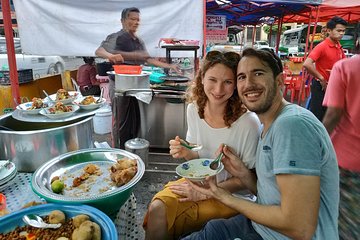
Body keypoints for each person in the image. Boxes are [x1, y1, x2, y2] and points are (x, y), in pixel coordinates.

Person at [182, 48, 339, 240]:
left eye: (258, 73)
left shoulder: (291, 125)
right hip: (259, 226)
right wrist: (244, 174)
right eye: (241, 77)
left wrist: (224, 196)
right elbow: (272, 195)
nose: (249, 84)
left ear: (279, 81)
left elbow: (299, 227)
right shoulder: (269, 125)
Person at [143, 50, 261, 239]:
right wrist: (185, 151)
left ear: (237, 85)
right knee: (157, 207)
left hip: (232, 197)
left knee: (179, 217)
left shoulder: (248, 123)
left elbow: (248, 182)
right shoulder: (194, 109)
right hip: (199, 184)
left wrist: (208, 193)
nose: (218, 89)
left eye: (228, 82)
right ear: (202, 78)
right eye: (212, 79)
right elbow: (197, 157)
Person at [95, 7, 179, 149]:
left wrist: (171, 66)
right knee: (121, 121)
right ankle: (119, 151)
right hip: (119, 84)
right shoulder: (117, 37)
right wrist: (110, 56)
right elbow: (99, 51)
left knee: (134, 120)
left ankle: (132, 149)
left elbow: (148, 59)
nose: (136, 22)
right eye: (132, 19)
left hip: (136, 84)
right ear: (123, 21)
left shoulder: (138, 41)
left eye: (138, 20)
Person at [322, 41, 360, 239]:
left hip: (346, 159)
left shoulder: (345, 67)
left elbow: (333, 113)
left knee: (345, 221)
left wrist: (317, 143)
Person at [303, 16, 347, 121]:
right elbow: (307, 64)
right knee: (318, 118)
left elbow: (344, 65)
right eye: (339, 30)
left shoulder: (339, 46)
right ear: (329, 30)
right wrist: (321, 78)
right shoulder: (322, 46)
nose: (341, 33)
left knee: (331, 118)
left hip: (334, 87)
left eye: (343, 31)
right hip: (321, 87)